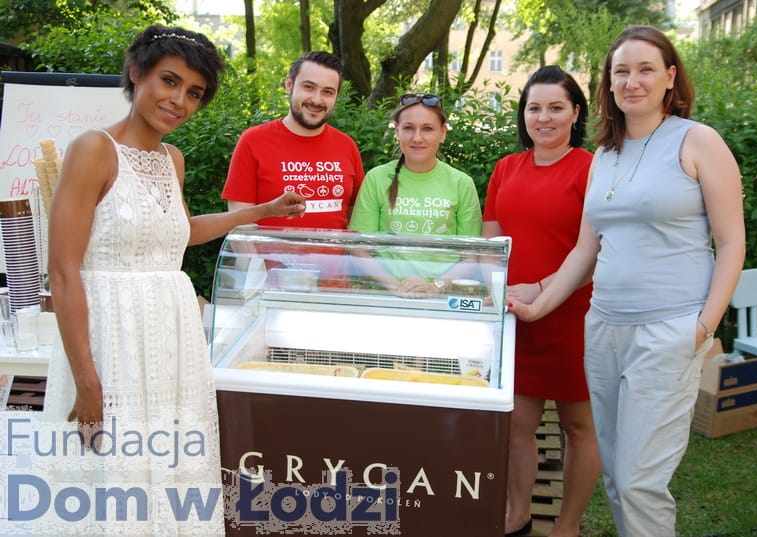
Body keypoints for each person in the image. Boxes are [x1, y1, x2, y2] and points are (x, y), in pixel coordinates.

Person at [41, 25, 305, 535]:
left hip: (170, 341)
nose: (179, 100)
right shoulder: (93, 149)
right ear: (135, 73)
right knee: (112, 473)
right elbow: (63, 270)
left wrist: (263, 209)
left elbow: (182, 233)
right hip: (110, 341)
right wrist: (87, 381)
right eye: (169, 81)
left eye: (194, 92)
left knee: (167, 467)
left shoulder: (172, 160)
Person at [508, 25, 746, 537]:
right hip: (604, 330)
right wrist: (538, 305)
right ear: (609, 83)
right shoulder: (606, 155)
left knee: (640, 481)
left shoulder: (698, 141)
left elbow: (731, 244)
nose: (632, 81)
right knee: (617, 476)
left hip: (668, 330)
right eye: (621, 71)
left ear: (670, 77)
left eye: (645, 70)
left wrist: (702, 327)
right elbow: (586, 251)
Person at [483, 66, 600, 537]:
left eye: (556, 107)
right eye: (534, 108)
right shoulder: (506, 168)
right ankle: (519, 513)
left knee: (579, 426)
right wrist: (493, 292)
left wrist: (542, 287)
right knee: (516, 425)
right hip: (517, 317)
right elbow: (491, 243)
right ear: (523, 114)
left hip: (575, 317)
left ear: (575, 113)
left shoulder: (593, 168)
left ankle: (568, 524)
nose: (544, 117)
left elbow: (598, 251)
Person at [348, 93, 483, 297]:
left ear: (442, 133)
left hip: (442, 299)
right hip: (386, 297)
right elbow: (359, 249)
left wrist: (435, 286)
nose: (417, 138)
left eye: (427, 129)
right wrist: (395, 286)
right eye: (409, 128)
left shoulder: (461, 183)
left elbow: (471, 256)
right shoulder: (376, 178)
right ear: (397, 131)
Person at [222, 50, 364, 229]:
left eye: (328, 92)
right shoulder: (253, 141)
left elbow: (356, 214)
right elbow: (239, 220)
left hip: (336, 249)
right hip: (269, 249)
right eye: (309, 87)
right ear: (289, 85)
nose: (317, 100)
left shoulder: (347, 146)